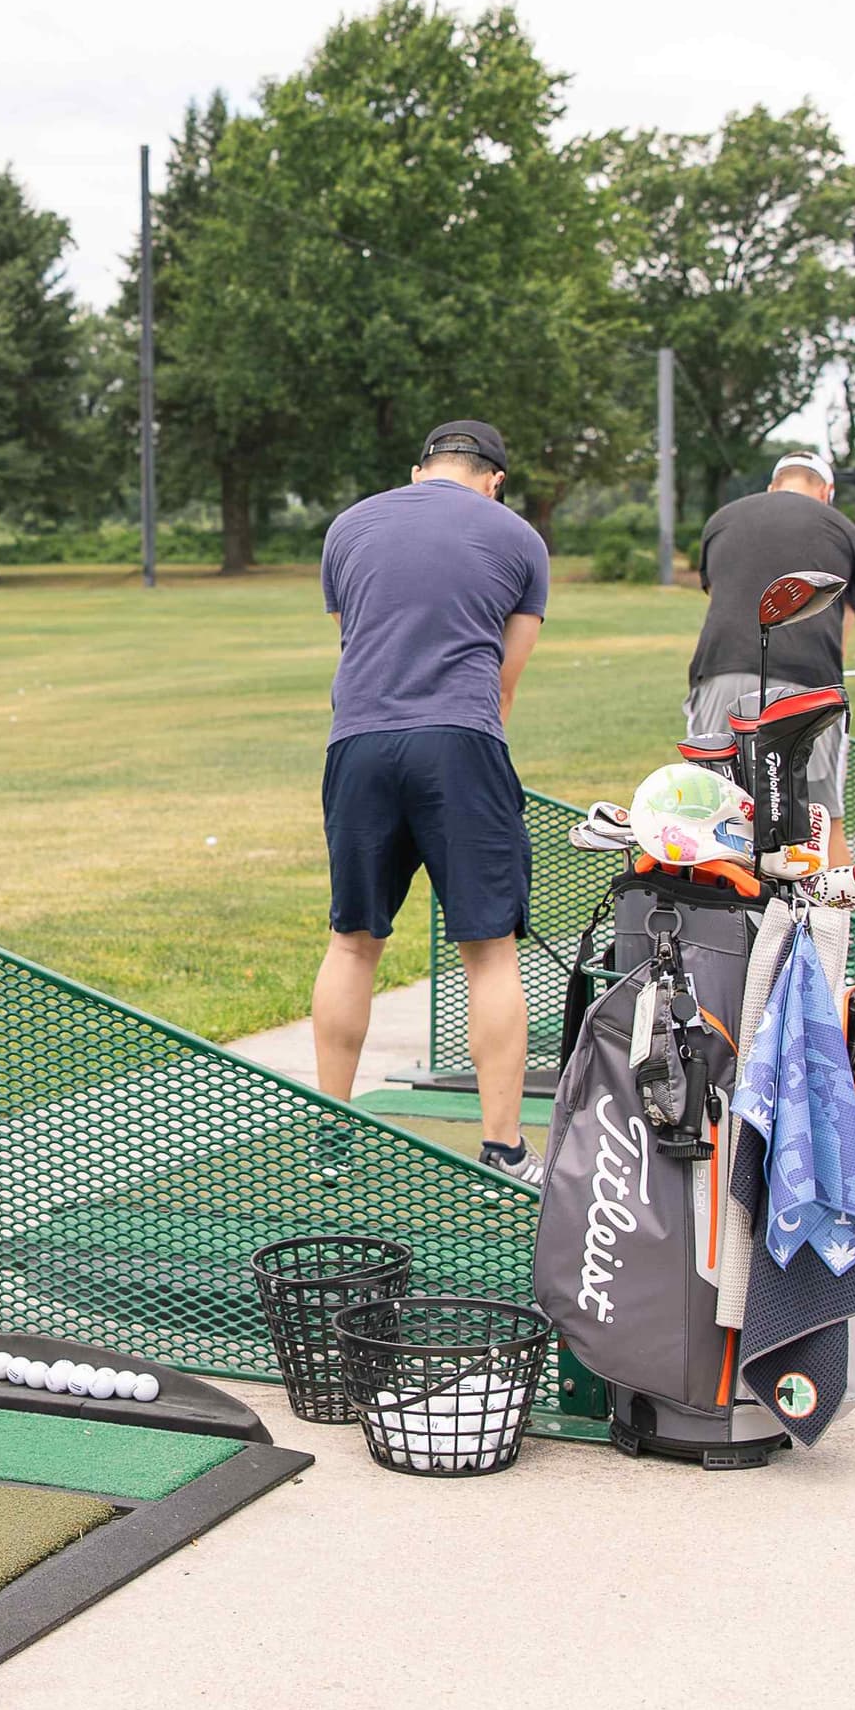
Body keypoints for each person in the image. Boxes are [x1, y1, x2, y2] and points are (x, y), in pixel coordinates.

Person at [314, 419, 549, 1181]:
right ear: (494, 479)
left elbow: (355, 646)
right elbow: (505, 681)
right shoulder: (518, 539)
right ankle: (503, 1146)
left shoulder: (348, 527)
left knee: (353, 941)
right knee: (488, 952)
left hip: (356, 745)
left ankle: (332, 1141)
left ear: (418, 471)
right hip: (460, 744)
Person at [684, 452, 855, 858]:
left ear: (772, 486)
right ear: (827, 492)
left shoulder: (722, 520)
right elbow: (843, 631)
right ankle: (830, 922)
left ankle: (721, 919)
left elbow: (720, 600)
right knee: (821, 823)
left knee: (709, 815)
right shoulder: (844, 529)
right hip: (810, 684)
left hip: (721, 671)